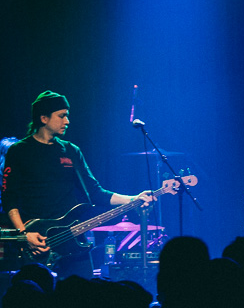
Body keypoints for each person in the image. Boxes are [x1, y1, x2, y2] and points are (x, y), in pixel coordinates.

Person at [1, 91, 153, 279]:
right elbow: (9, 200)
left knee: (82, 297)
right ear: (43, 118)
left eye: (67, 115)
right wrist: (24, 235)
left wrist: (133, 198)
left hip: (73, 239)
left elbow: (96, 193)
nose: (67, 121)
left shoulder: (71, 151)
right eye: (61, 115)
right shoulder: (19, 151)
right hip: (39, 241)